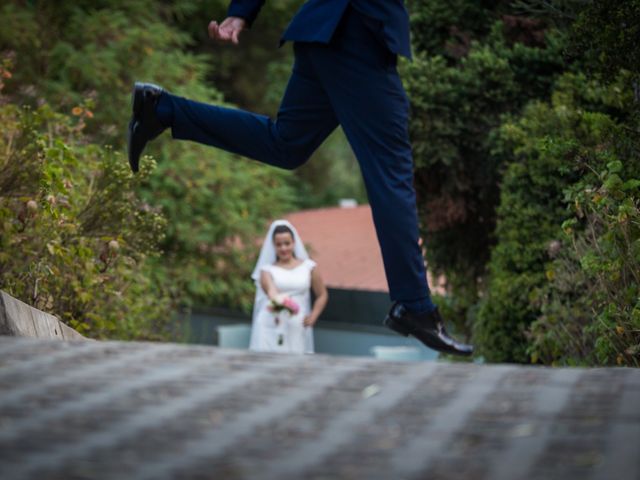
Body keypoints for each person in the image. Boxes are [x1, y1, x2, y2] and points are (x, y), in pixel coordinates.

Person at [127, 0, 473, 356]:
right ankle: (414, 305)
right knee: (393, 175)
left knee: (285, 144)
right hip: (356, 35)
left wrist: (242, 11)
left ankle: (162, 109)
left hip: (324, 32)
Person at [249, 220, 327, 353]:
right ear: (273, 246)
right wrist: (283, 303)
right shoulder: (266, 270)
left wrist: (313, 315)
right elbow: (271, 292)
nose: (283, 248)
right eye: (279, 245)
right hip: (271, 324)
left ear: (294, 243)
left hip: (298, 323)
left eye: (287, 243)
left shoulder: (309, 267)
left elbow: (322, 295)